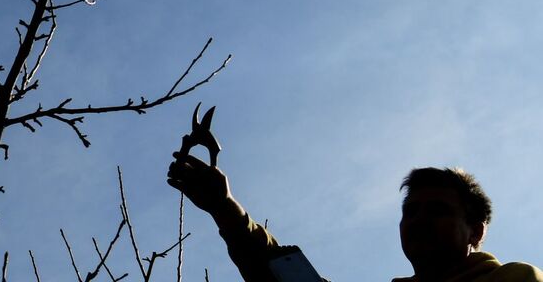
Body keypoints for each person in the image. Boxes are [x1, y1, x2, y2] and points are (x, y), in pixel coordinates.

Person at [167, 152, 542, 281]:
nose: (419, 221)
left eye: (438, 211)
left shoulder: (515, 279)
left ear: (476, 231)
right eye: (410, 212)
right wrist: (226, 209)